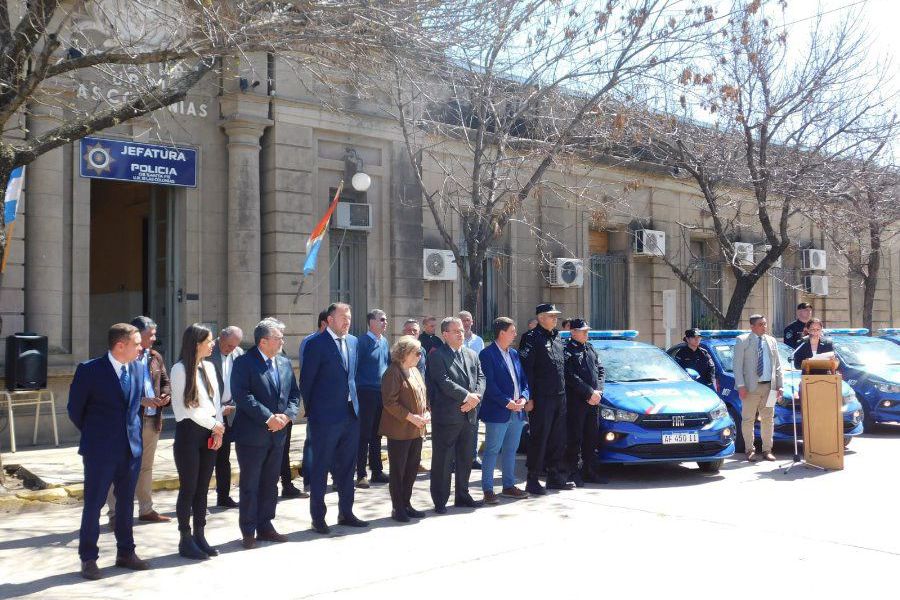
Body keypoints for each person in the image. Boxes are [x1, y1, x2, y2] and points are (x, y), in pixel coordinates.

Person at [68, 323, 153, 580]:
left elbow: (134, 407)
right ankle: (89, 558)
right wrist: (98, 435)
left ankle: (126, 552)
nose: (142, 347)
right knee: (94, 505)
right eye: (137, 343)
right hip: (100, 451)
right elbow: (75, 410)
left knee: (126, 504)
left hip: (131, 450)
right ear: (120, 345)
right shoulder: (90, 370)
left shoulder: (138, 369)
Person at [230, 318, 301, 549]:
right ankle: (248, 530)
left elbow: (294, 394)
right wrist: (268, 417)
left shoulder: (283, 362)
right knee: (250, 484)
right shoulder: (244, 363)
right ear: (263, 341)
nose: (282, 341)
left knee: (271, 482)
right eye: (278, 338)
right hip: (252, 435)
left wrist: (287, 416)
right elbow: (243, 395)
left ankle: (266, 526)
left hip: (278, 434)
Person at [300, 302, 369, 534]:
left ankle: (346, 512)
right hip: (325, 418)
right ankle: (318, 517)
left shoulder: (353, 342)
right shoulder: (315, 344)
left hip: (351, 414)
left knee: (348, 468)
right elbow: (306, 383)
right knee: (321, 467)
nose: (347, 321)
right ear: (329, 320)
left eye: (349, 317)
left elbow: (352, 376)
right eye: (342, 317)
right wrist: (314, 413)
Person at [106, 316, 171, 526]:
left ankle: (146, 509)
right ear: (136, 334)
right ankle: (115, 513)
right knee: (121, 467)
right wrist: (142, 401)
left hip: (152, 421)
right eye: (150, 334)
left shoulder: (155, 357)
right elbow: (118, 392)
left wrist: (165, 395)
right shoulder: (123, 358)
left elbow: (165, 381)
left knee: (146, 467)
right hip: (130, 422)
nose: (154, 338)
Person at [170, 324, 224, 560]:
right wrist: (214, 425)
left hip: (210, 432)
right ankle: (185, 538)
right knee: (189, 489)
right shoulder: (179, 369)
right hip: (189, 435)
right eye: (209, 340)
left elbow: (216, 403)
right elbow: (186, 408)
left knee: (203, 488)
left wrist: (218, 429)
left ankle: (200, 534)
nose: (213, 344)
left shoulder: (210, 367)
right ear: (196, 343)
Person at [426, 317, 485, 513]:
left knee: (465, 458)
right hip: (447, 417)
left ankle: (463, 495)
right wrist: (467, 396)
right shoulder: (437, 355)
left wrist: (475, 398)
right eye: (456, 331)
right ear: (445, 334)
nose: (461, 333)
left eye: (462, 330)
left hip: (469, 415)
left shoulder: (471, 354)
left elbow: (481, 377)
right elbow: (443, 382)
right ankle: (440, 500)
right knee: (443, 461)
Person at [519, 303, 572, 494]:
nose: (555, 319)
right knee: (539, 438)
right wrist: (529, 397)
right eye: (551, 316)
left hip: (559, 396)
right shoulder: (531, 338)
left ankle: (554, 475)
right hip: (541, 398)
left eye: (556, 316)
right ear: (541, 317)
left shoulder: (557, 337)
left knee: (558, 438)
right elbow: (527, 371)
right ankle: (532, 479)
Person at [380, 336, 431, 522]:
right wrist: (411, 417)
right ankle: (397, 507)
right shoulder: (392, 373)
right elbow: (389, 403)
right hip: (400, 430)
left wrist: (426, 414)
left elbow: (423, 397)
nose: (420, 355)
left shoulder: (415, 371)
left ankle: (407, 503)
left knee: (411, 470)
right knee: (398, 471)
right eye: (416, 352)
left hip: (417, 429)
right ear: (404, 353)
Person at [479, 317, 530, 504]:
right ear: (502, 333)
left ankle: (508, 486)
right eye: (512, 331)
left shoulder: (514, 354)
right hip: (498, 411)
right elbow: (489, 385)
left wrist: (524, 397)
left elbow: (523, 380)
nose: (515, 334)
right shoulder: (487, 354)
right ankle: (488, 489)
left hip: (517, 411)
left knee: (511, 450)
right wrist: (507, 402)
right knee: (492, 450)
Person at [733, 314, 784, 461]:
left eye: (765, 324)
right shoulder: (742, 341)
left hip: (771, 387)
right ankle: (749, 449)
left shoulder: (772, 341)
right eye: (761, 324)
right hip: (750, 388)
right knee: (748, 419)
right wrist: (741, 386)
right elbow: (737, 366)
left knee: (768, 419)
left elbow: (778, 366)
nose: (764, 327)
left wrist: (780, 385)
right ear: (752, 326)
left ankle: (767, 450)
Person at [563, 319, 606, 487]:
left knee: (591, 437)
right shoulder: (567, 350)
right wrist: (589, 392)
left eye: (587, 330)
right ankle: (573, 473)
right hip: (577, 402)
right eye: (583, 331)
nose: (586, 333)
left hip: (594, 401)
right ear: (573, 332)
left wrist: (599, 391)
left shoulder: (590, 347)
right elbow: (570, 376)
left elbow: (600, 370)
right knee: (575, 439)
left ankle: (590, 471)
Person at [207, 326, 244, 509]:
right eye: (228, 345)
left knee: (224, 457)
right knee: (207, 458)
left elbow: (243, 382)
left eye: (234, 346)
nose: (230, 349)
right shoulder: (207, 352)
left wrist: (233, 406)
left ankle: (224, 495)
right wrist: (218, 408)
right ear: (220, 338)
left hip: (230, 413)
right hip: (209, 414)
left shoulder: (238, 354)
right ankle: (199, 500)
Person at [355, 309, 390, 488]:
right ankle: (361, 473)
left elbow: (387, 365)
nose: (385, 322)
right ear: (371, 322)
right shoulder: (362, 342)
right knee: (364, 434)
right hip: (365, 392)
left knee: (378, 433)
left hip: (380, 393)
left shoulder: (384, 342)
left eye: (385, 320)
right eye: (382, 320)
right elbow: (354, 368)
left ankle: (377, 470)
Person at [299, 311, 328, 493]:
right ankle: (309, 480)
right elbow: (306, 376)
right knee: (312, 441)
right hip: (317, 401)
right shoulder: (310, 342)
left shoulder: (344, 341)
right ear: (325, 322)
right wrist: (309, 404)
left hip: (336, 403)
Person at [459, 310, 485, 469]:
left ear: (472, 322)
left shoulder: (478, 341)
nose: (466, 323)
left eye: (468, 320)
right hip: (459, 389)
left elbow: (480, 366)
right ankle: (457, 459)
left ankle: (473, 457)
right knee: (459, 426)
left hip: (474, 389)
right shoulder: (455, 340)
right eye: (462, 320)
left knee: (474, 425)